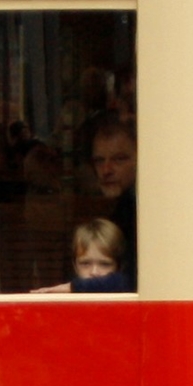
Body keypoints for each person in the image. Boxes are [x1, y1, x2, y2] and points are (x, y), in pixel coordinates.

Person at [87, 117, 137, 281]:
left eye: (119, 159)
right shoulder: (122, 208)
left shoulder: (140, 210)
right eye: (99, 161)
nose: (106, 170)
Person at [33, 218, 133, 293]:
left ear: (119, 266)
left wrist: (73, 287)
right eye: (85, 263)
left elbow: (124, 281)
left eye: (105, 264)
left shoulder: (126, 286)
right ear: (75, 265)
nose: (94, 272)